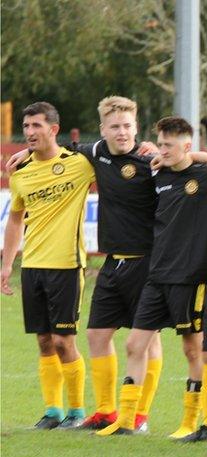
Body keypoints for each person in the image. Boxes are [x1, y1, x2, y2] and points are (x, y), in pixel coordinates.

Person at [96, 116, 207, 437]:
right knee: (135, 345)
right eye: (160, 143)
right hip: (156, 273)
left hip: (191, 276)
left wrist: (202, 157)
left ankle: (192, 422)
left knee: (193, 349)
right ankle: (126, 420)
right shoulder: (157, 174)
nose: (160, 150)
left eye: (168, 145)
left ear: (186, 146)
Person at [1, 102, 96, 429]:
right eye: (26, 126)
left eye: (36, 126)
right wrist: (6, 263)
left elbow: (115, 154)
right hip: (33, 267)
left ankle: (77, 411)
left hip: (68, 265)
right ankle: (53, 411)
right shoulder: (22, 173)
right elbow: (15, 220)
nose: (29, 132)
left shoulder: (80, 164)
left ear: (53, 129)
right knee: (43, 341)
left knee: (63, 341)